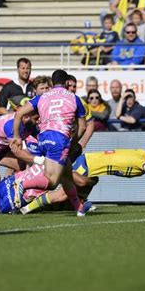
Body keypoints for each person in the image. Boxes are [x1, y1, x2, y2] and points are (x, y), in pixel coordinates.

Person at [10, 69, 92, 217]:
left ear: (52, 83)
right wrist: (72, 143)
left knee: (66, 176)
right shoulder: (75, 98)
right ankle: (21, 184)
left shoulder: (41, 97)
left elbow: (19, 113)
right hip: (59, 139)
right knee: (53, 182)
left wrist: (16, 135)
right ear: (67, 82)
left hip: (42, 138)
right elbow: (83, 127)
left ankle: (79, 208)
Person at [21, 145, 145, 215]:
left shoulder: (142, 155)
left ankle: (79, 206)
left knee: (91, 183)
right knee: (61, 194)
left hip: (90, 165)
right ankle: (25, 207)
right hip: (87, 165)